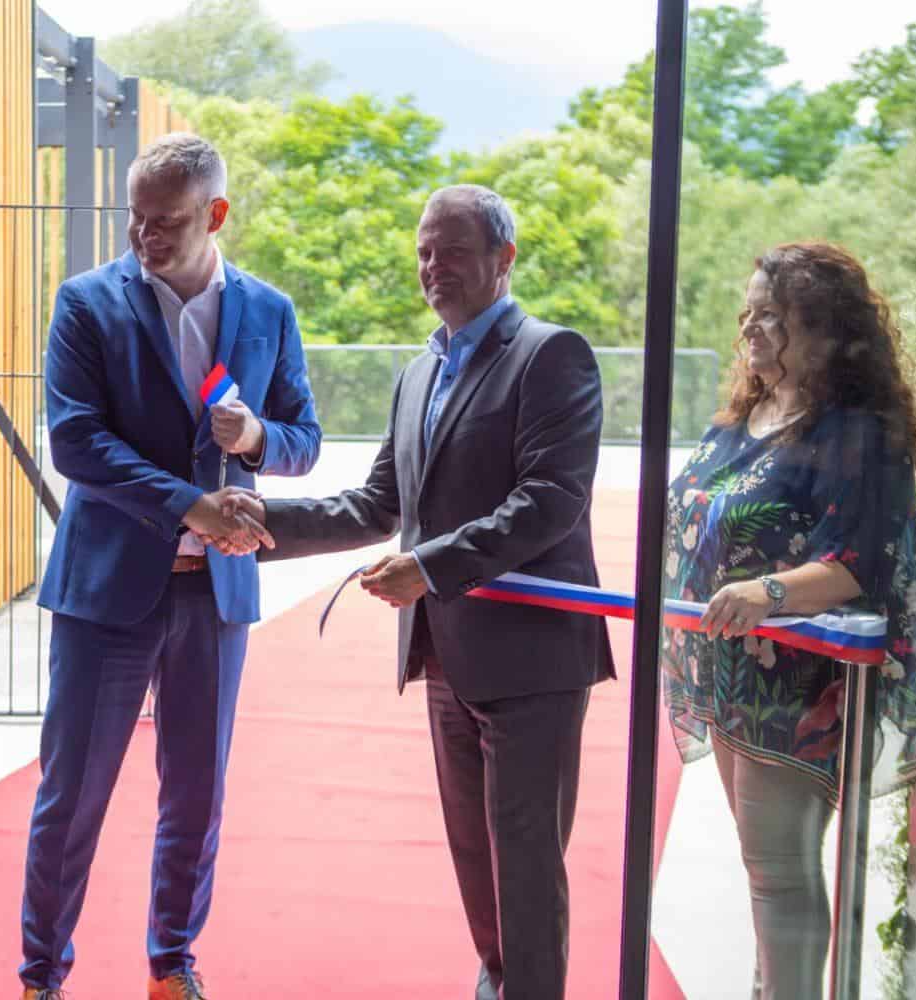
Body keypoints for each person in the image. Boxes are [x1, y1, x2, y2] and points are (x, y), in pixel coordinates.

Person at [229, 184, 614, 999]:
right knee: (477, 863)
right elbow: (378, 505)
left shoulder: (552, 355)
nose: (433, 267)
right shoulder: (419, 373)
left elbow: (550, 501)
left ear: (505, 260)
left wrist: (430, 566)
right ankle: (500, 984)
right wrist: (264, 524)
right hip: (446, 656)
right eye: (424, 252)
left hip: (533, 661)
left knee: (525, 867)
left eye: (454, 251)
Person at [18, 132, 321, 1000]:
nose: (144, 236)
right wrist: (190, 505)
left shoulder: (269, 311)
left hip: (215, 597)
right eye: (136, 219)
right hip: (105, 590)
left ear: (216, 214)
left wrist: (257, 438)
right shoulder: (85, 303)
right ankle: (41, 977)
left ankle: (172, 965)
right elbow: (76, 441)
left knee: (196, 796)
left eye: (167, 221)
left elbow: (304, 439)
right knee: (73, 796)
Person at [661, 242, 916, 998]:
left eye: (773, 316)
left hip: (797, 685)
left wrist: (768, 592)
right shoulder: (743, 416)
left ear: (823, 327)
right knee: (763, 869)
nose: (751, 328)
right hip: (726, 673)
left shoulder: (855, 433)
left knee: (780, 873)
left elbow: (859, 563)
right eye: (748, 313)